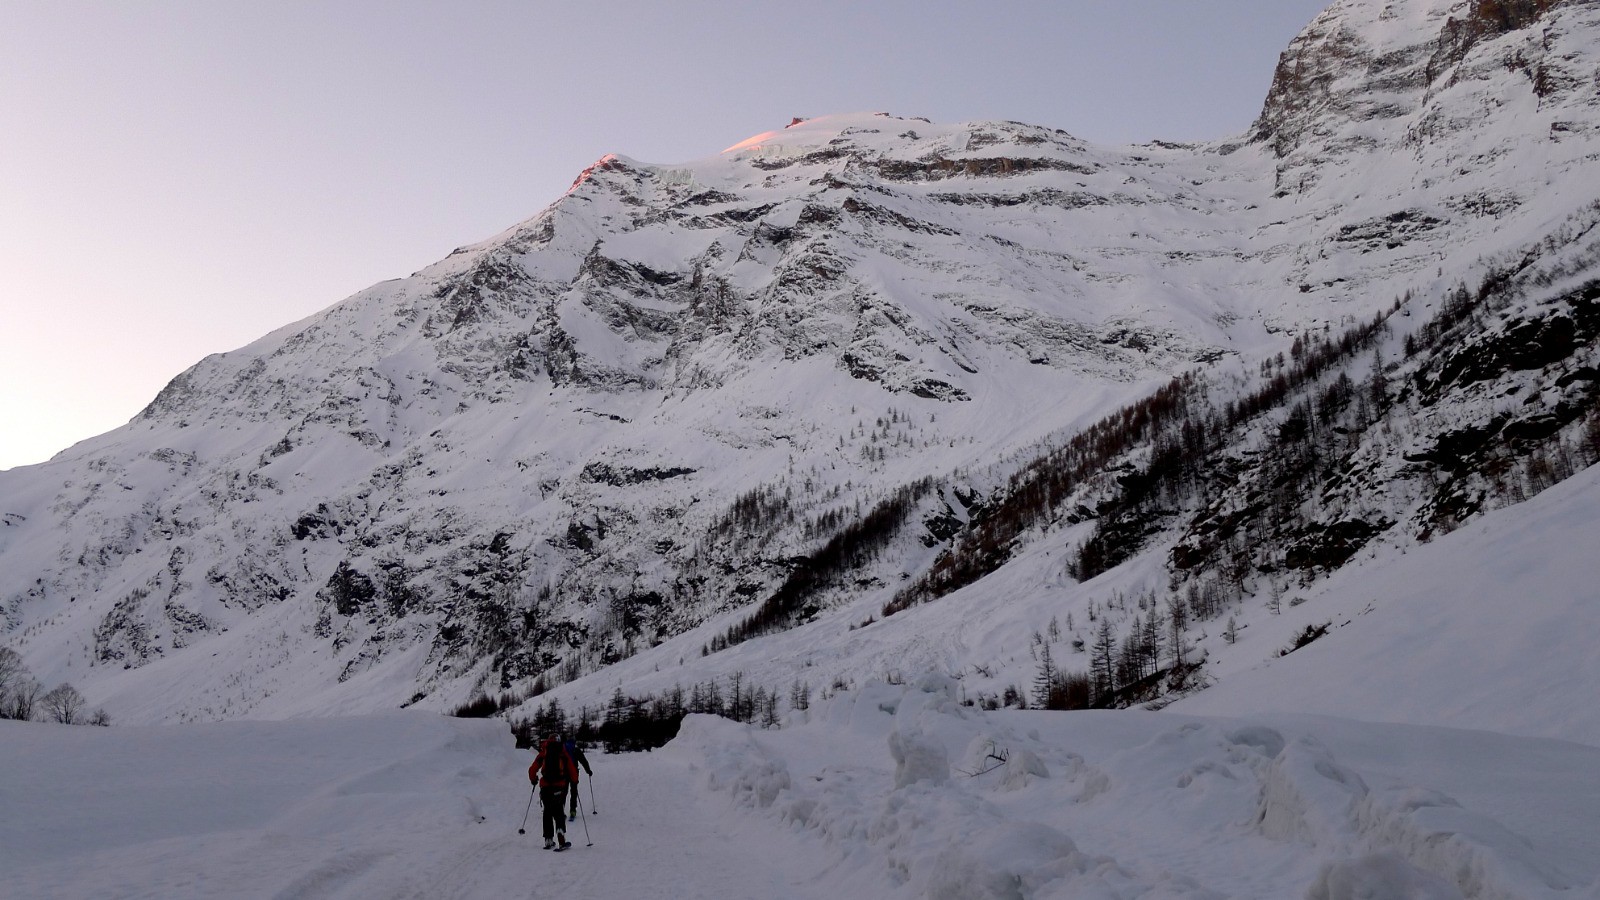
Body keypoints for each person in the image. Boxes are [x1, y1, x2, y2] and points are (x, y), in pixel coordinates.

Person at [530, 733, 578, 850]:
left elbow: (532, 769)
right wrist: (574, 781)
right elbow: (572, 770)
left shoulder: (544, 752)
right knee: (558, 810)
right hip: (559, 786)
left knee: (547, 811)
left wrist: (533, 779)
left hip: (545, 786)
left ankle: (548, 839)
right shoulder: (563, 752)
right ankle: (560, 833)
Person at [564, 737, 593, 818]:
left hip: (563, 774)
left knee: (563, 792)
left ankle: (560, 810)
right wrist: (588, 771)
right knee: (573, 792)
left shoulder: (563, 750)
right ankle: (573, 810)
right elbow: (583, 761)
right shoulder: (576, 750)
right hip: (574, 774)